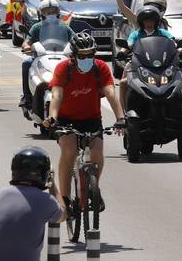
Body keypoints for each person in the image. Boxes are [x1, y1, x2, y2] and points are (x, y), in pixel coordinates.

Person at [42, 32, 125, 210]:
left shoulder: (100, 67)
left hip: (91, 118)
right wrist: (52, 117)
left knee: (97, 155)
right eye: (82, 56)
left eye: (90, 55)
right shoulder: (64, 68)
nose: (87, 59)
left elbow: (110, 92)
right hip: (65, 120)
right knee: (69, 151)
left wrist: (120, 118)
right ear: (73, 56)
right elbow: (56, 94)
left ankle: (92, 187)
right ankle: (64, 198)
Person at [120, 5, 182, 110]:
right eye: (146, 21)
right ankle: (123, 114)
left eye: (151, 21)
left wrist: (181, 50)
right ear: (142, 22)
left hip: (164, 66)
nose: (149, 23)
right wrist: (122, 52)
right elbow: (128, 45)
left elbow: (173, 44)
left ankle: (179, 109)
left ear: (156, 22)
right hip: (138, 65)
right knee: (123, 83)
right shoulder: (135, 34)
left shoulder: (163, 33)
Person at [18, 0, 71, 109]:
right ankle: (27, 98)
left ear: (58, 12)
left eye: (53, 10)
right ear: (41, 13)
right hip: (41, 58)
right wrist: (27, 47)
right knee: (26, 64)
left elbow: (75, 39)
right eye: (47, 11)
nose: (50, 13)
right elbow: (27, 42)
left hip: (62, 57)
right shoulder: (37, 27)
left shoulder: (64, 26)